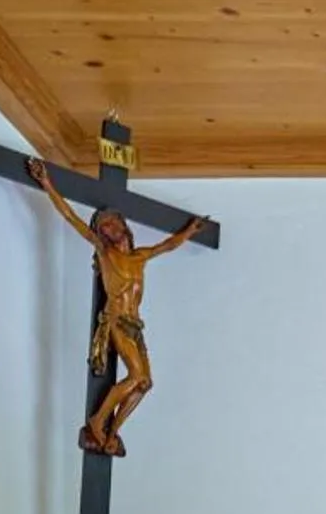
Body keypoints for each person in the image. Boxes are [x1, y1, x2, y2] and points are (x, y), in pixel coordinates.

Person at [27, 156, 206, 456]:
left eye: (113, 223)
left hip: (136, 326)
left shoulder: (140, 256)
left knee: (145, 383)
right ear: (102, 234)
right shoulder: (105, 253)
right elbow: (71, 217)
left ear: (124, 225)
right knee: (136, 376)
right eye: (104, 226)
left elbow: (167, 245)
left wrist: (189, 232)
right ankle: (97, 421)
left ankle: (111, 431)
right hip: (117, 321)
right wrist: (47, 183)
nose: (110, 228)